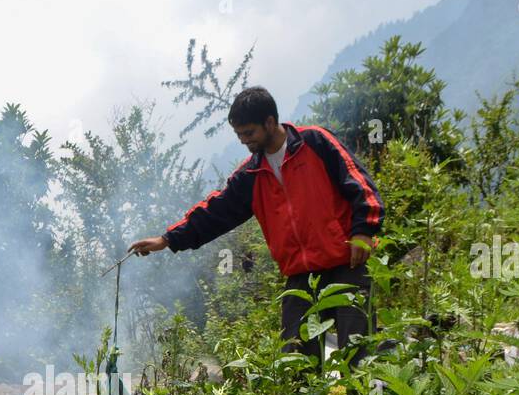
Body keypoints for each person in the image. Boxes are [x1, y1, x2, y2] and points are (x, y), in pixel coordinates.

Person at [130, 86, 384, 366]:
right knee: (296, 362)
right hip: (301, 278)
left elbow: (359, 183)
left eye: (249, 133)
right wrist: (167, 239)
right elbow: (215, 212)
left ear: (270, 122)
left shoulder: (315, 142)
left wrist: (363, 231)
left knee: (360, 355)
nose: (244, 141)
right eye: (239, 135)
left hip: (345, 262)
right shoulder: (250, 174)